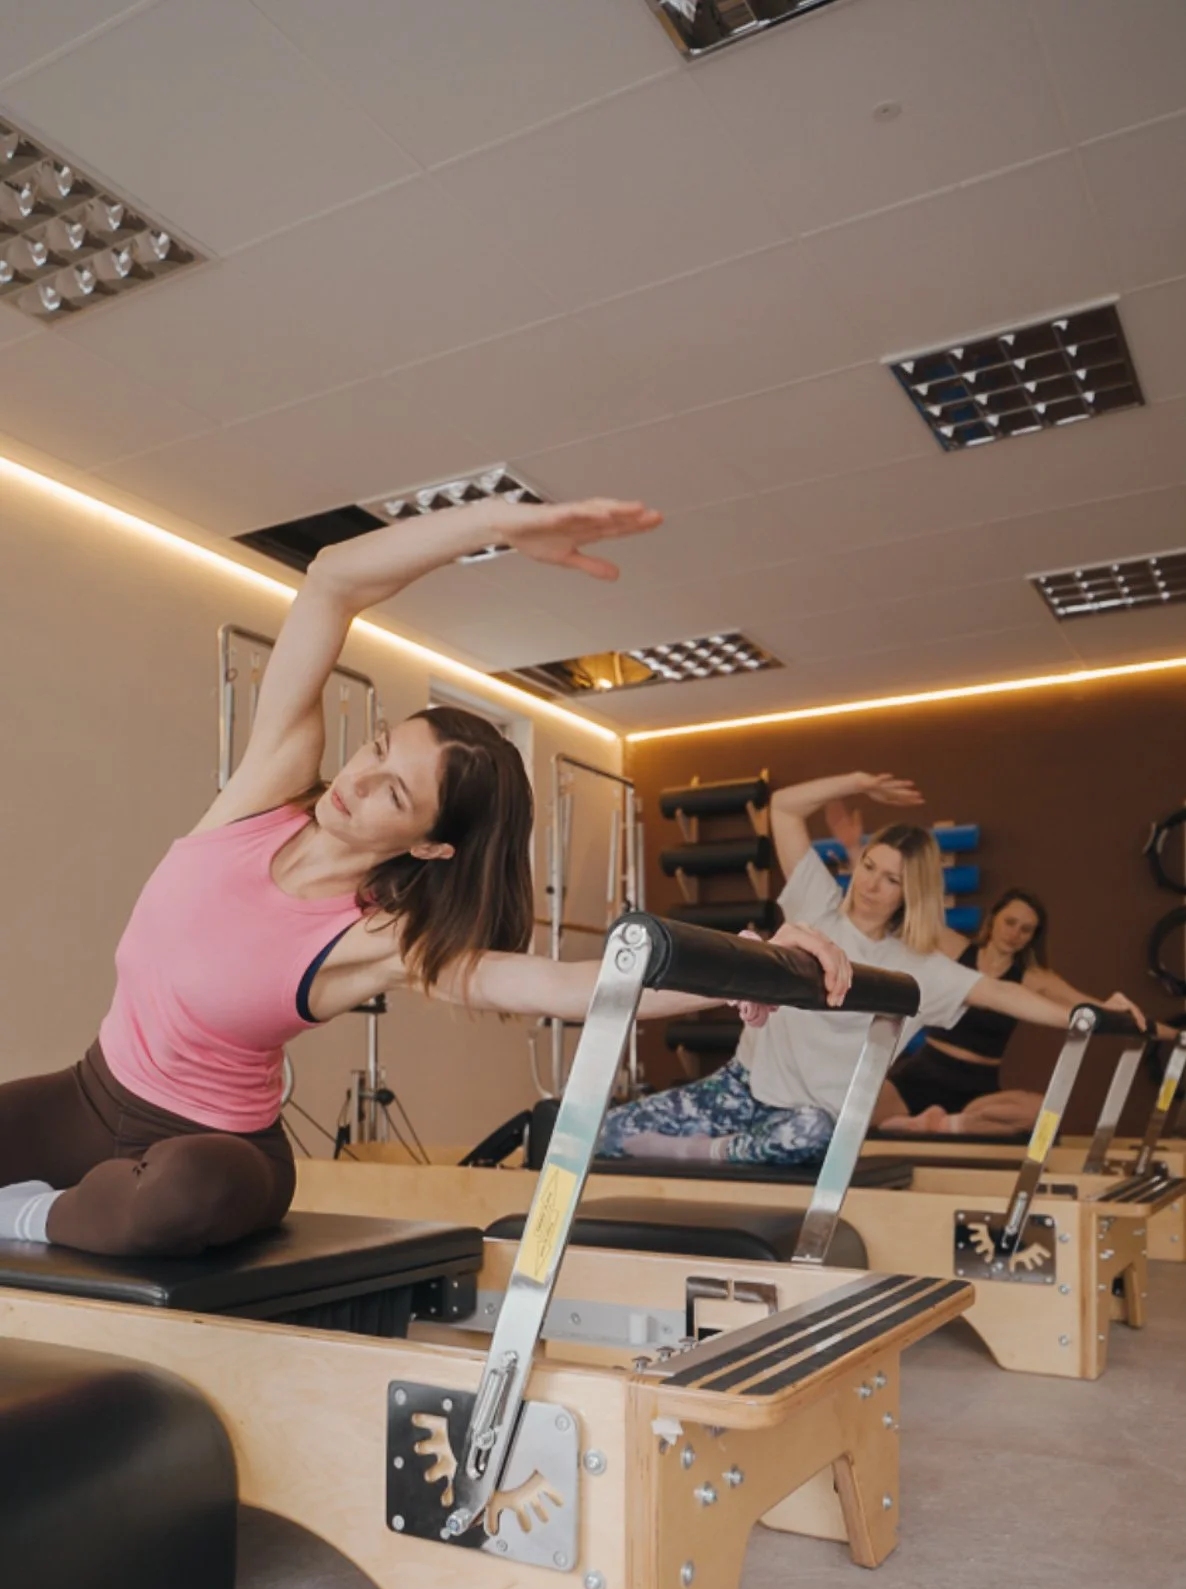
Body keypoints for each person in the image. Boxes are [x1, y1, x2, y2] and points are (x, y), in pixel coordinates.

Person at [0, 496, 851, 1258]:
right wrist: (490, 526)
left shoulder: (382, 935)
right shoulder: (263, 792)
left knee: (183, 1192)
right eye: (375, 752)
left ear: (434, 846)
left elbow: (568, 985)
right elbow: (331, 581)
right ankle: (77, 1204)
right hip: (89, 1094)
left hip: (213, 1149)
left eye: (394, 794)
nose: (356, 783)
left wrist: (751, 959)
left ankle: (32, 1217)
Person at [599, 770, 1142, 1167]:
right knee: (604, 1132)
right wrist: (857, 781)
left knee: (813, 1133)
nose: (870, 883)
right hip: (743, 1085)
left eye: (891, 879)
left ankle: (699, 1153)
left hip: (812, 1117)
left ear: (914, 894)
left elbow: (1011, 997)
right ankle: (686, 1144)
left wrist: (1094, 1011)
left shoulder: (919, 966)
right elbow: (784, 808)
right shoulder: (815, 904)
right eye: (868, 865)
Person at [880, 888, 1124, 1135]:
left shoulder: (1034, 978)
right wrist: (858, 856)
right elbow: (903, 910)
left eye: (1025, 929)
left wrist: (1118, 1009)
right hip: (925, 1071)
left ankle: (944, 1124)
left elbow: (1087, 1006)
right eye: (1010, 922)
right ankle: (942, 1123)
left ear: (1032, 937)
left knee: (1043, 1112)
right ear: (993, 918)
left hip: (977, 1087)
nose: (1015, 933)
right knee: (856, 1108)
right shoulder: (954, 947)